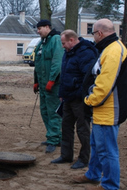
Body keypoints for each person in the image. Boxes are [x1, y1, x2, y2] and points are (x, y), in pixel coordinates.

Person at [72, 18, 127, 190]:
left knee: (106, 151)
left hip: (108, 110)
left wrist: (89, 101)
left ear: (100, 33)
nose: (93, 38)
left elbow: (105, 84)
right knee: (97, 146)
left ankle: (110, 185)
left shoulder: (114, 51)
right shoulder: (108, 49)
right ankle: (93, 174)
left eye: (94, 33)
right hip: (101, 110)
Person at [51, 30, 97, 169]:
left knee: (82, 129)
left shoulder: (86, 53)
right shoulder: (68, 52)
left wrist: (79, 95)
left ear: (71, 40)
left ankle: (84, 159)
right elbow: (64, 74)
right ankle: (66, 155)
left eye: (64, 43)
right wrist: (62, 93)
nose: (62, 46)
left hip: (79, 99)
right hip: (67, 97)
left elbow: (87, 78)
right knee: (66, 126)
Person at [33, 19, 64, 153]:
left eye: (40, 29)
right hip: (43, 85)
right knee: (44, 111)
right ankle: (53, 136)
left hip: (53, 85)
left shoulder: (56, 40)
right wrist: (36, 81)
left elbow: (57, 62)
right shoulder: (42, 43)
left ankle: (54, 139)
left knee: (53, 112)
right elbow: (38, 63)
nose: (38, 31)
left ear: (47, 27)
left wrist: (52, 80)